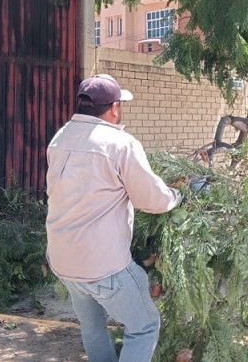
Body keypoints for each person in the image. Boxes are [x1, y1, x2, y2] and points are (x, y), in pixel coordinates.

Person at [45, 73, 182, 362]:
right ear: (114, 107)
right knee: (144, 327)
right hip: (103, 266)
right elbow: (152, 201)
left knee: (93, 326)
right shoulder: (120, 144)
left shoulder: (59, 139)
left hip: (63, 260)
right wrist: (176, 195)